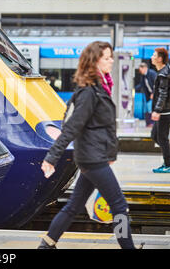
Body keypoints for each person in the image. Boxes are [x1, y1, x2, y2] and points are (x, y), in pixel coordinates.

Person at [38, 41, 136, 249]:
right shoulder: (89, 92)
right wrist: (51, 157)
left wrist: (109, 151)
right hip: (93, 158)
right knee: (119, 205)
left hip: (93, 156)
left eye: (111, 57)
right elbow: (71, 127)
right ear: (94, 61)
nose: (111, 61)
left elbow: (101, 127)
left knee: (74, 206)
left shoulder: (99, 88)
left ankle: (46, 244)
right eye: (107, 58)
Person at [150, 47, 170, 173]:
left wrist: (157, 110)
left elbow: (163, 94)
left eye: (154, 55)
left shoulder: (163, 74)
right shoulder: (167, 70)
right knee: (155, 135)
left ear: (160, 59)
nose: (152, 57)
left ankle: (168, 165)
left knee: (162, 138)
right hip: (169, 109)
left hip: (165, 111)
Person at [136, 62, 157, 126]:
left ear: (145, 68)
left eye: (140, 69)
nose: (140, 71)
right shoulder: (143, 76)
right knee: (146, 109)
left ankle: (152, 123)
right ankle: (148, 123)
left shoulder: (152, 73)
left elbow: (157, 84)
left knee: (151, 108)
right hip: (148, 94)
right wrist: (134, 89)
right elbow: (142, 85)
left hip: (155, 94)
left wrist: (153, 93)